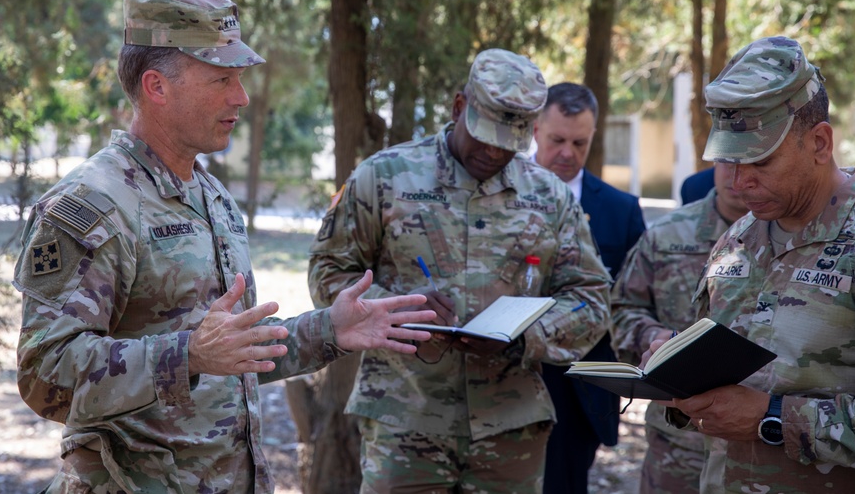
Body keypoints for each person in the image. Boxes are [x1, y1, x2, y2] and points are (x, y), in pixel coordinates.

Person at [11, 0, 437, 494]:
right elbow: (45, 377)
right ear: (156, 86)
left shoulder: (210, 194)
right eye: (222, 79)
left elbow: (231, 353)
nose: (242, 96)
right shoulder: (92, 206)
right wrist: (186, 354)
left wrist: (330, 330)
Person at [308, 49, 612, 494]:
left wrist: (524, 335)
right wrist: (394, 311)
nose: (492, 152)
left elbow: (590, 299)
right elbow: (329, 273)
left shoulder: (551, 197)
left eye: (508, 142)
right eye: (485, 135)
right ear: (458, 107)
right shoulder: (384, 177)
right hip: (404, 422)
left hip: (511, 432)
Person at [644, 35, 855, 492]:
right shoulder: (739, 238)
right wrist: (674, 372)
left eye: (760, 161)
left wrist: (772, 418)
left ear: (820, 143)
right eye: (729, 160)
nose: (739, 181)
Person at [531, 82, 646, 494]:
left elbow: (634, 298)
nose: (567, 153)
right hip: (507, 381)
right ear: (535, 130)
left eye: (579, 143)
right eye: (557, 140)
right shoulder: (498, 196)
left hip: (581, 391)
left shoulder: (620, 210)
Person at [610, 161, 748, 494]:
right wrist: (654, 337)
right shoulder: (667, 234)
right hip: (679, 438)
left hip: (759, 441)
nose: (737, 175)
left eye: (753, 162)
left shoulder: (793, 239)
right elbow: (621, 309)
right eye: (727, 163)